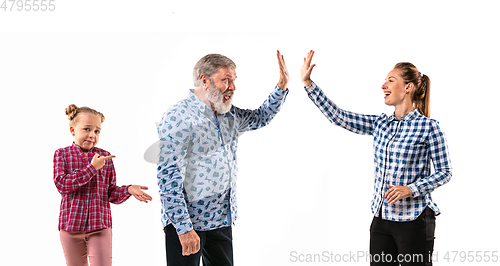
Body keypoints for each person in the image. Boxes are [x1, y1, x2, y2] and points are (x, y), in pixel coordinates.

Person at [300, 50, 452, 265]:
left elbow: (445, 172)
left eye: (391, 80)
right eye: (385, 81)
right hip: (381, 219)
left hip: (414, 219)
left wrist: (411, 189)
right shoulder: (381, 124)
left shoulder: (429, 127)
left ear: (408, 87)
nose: (383, 85)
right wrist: (308, 84)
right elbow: (339, 117)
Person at [157, 51, 289, 265]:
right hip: (188, 224)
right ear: (204, 80)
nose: (233, 87)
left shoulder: (229, 115)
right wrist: (183, 228)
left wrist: (281, 86)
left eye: (234, 80)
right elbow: (168, 177)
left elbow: (261, 117)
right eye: (226, 80)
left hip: (220, 220)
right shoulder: (178, 116)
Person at [54, 104, 152, 266]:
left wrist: (128, 189)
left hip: (99, 227)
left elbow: (110, 192)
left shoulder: (105, 156)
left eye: (97, 131)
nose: (92, 135)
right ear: (73, 130)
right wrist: (92, 168)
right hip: (70, 227)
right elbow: (62, 185)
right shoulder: (62, 154)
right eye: (87, 129)